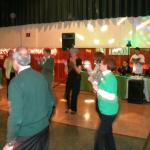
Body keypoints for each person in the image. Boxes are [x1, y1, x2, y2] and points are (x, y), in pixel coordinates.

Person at [3, 47, 55, 150]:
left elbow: (16, 117)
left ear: (16, 61)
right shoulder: (41, 77)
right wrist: (44, 120)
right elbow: (51, 103)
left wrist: (10, 142)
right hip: (44, 130)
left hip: (26, 135)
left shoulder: (15, 83)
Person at [92, 57, 119, 150]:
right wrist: (96, 89)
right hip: (105, 110)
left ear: (106, 66)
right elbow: (98, 86)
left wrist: (98, 90)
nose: (100, 64)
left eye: (102, 63)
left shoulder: (111, 78)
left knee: (99, 137)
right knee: (108, 133)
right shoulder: (103, 75)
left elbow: (111, 97)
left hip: (109, 112)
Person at [64, 48, 82, 114]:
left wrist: (74, 64)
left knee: (74, 94)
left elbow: (79, 71)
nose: (71, 54)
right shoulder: (68, 60)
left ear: (76, 53)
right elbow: (66, 72)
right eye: (70, 52)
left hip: (76, 79)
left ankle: (73, 109)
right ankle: (68, 108)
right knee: (66, 94)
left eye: (72, 52)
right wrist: (65, 65)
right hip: (69, 79)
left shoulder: (79, 60)